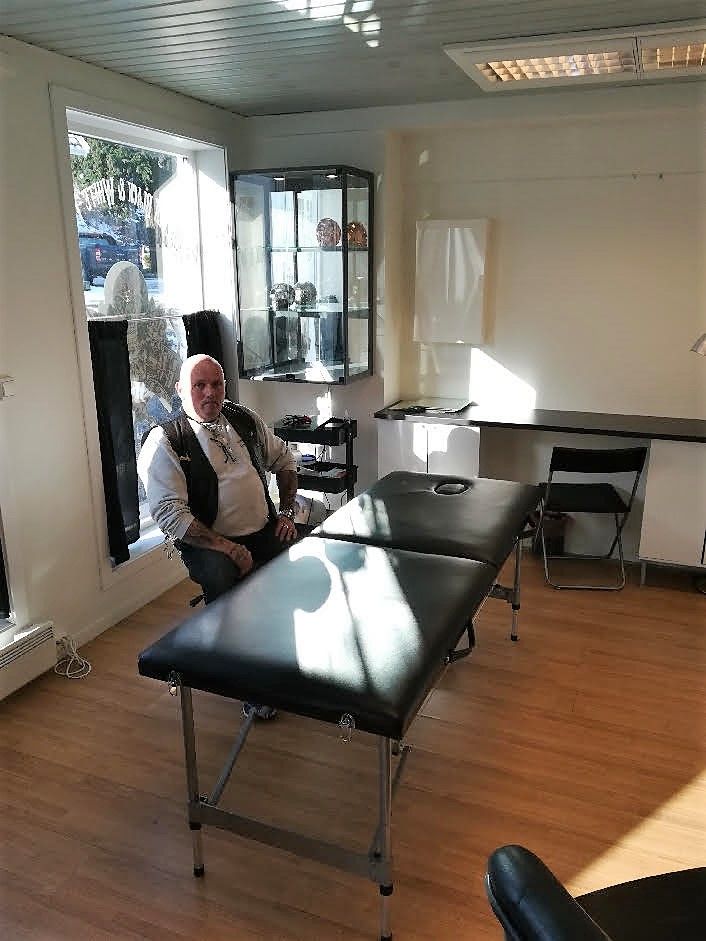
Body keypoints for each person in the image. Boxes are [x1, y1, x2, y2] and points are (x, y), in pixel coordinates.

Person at [138, 353, 299, 605]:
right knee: (221, 574)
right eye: (199, 385)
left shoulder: (245, 419)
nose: (210, 393)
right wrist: (229, 548)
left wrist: (287, 512)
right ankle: (225, 628)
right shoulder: (165, 440)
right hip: (208, 544)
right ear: (180, 389)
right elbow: (170, 514)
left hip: (263, 529)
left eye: (216, 384)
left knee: (301, 547)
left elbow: (284, 459)